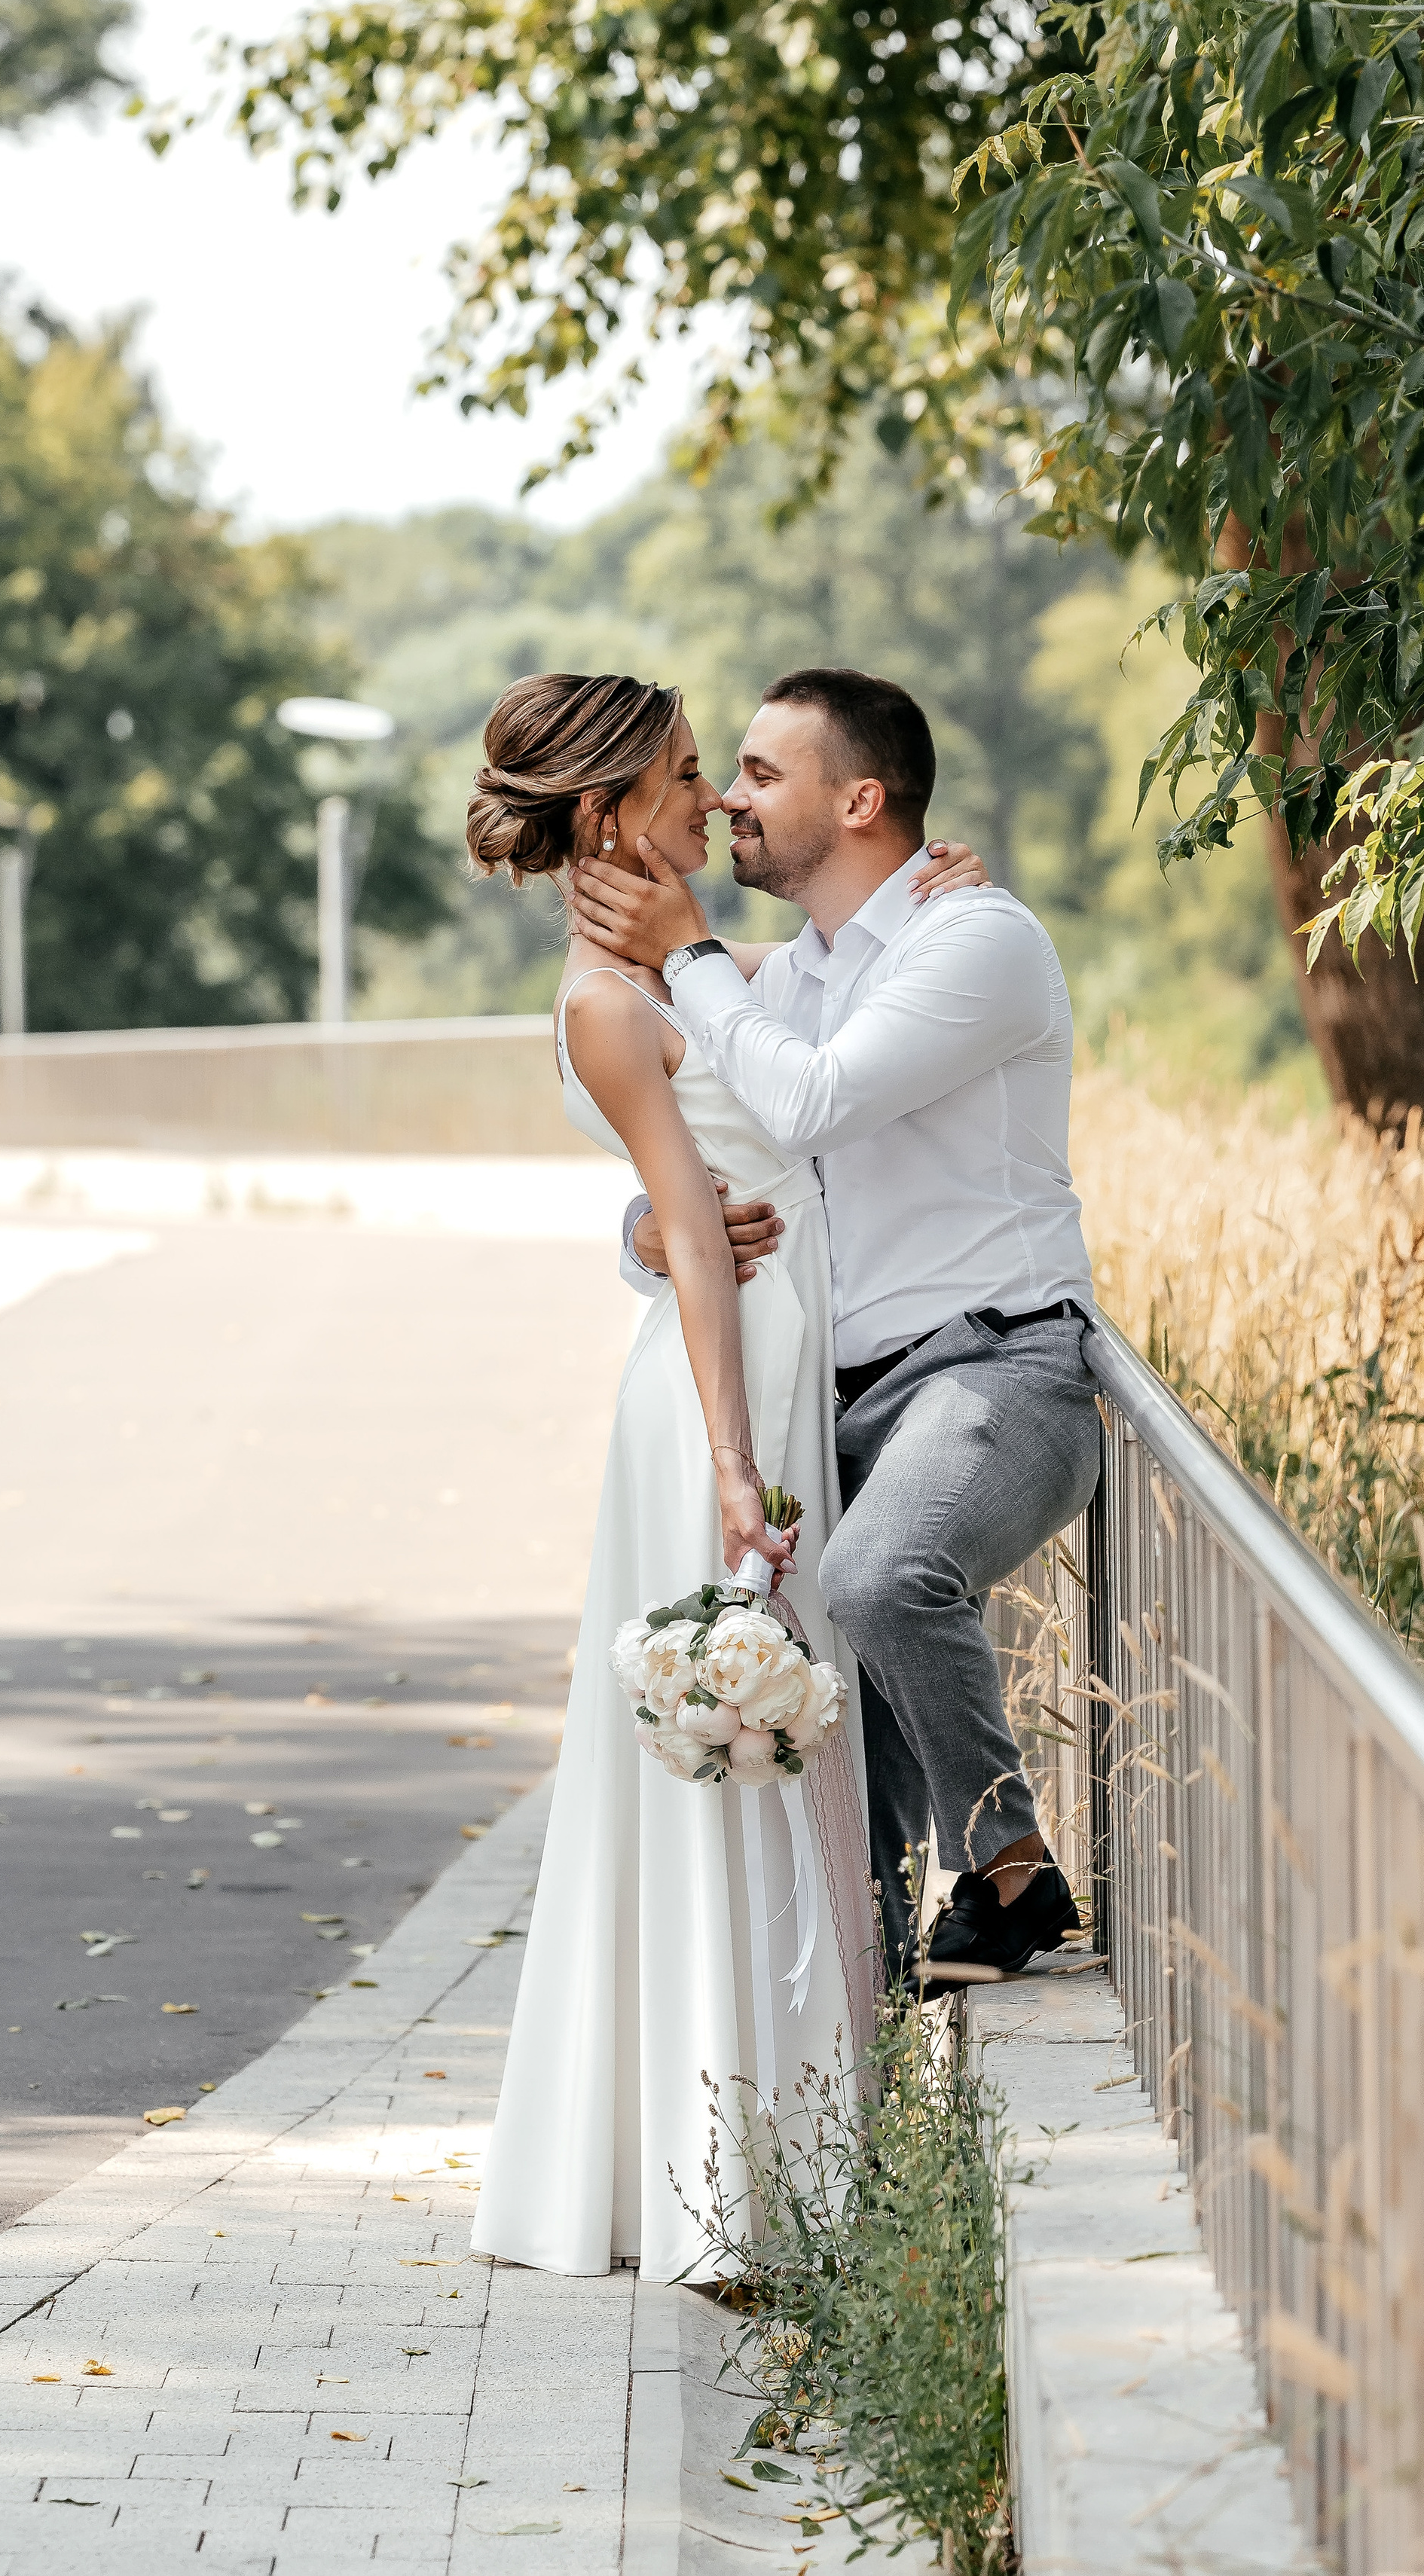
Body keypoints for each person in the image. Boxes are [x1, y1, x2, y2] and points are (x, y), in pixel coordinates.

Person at [466, 671, 988, 2282]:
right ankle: (734, 2181)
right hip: (722, 1389)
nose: (710, 800)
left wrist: (921, 900)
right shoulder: (613, 1001)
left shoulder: (685, 967)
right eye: (688, 777)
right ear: (614, 807)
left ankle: (772, 2159)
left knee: (768, 1755)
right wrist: (734, 1464)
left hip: (754, 1358)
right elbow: (692, 1229)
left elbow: (806, 998)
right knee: (732, 1768)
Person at [571, 667, 1102, 1995]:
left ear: (860, 800)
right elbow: (718, 1143)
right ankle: (838, 2116)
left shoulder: (974, 940)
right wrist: (644, 1228)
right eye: (723, 774)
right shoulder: (796, 974)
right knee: (829, 1795)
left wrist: (690, 947)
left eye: (759, 775)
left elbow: (804, 1106)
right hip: (830, 1398)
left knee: (878, 1580)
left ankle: (1012, 1865)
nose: (727, 800)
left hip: (996, 1367)